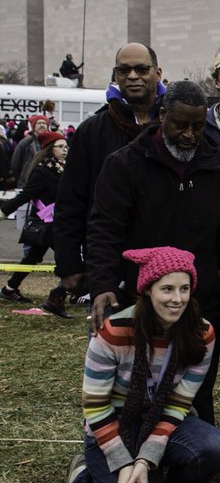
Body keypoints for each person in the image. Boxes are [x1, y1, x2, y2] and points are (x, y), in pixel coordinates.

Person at [85, 81, 220, 426]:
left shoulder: (219, 168)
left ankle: (196, 463)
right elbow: (104, 230)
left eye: (198, 126)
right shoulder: (124, 164)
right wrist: (102, 285)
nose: (190, 135)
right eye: (181, 125)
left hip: (197, 301)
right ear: (161, 118)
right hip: (138, 298)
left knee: (196, 385)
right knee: (133, 385)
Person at [57, 246, 220, 483]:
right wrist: (123, 463)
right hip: (112, 427)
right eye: (166, 289)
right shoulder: (113, 332)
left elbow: (179, 402)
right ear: (147, 290)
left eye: (184, 288)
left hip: (162, 420)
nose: (176, 299)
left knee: (217, 446)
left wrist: (144, 460)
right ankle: (85, 480)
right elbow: (96, 406)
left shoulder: (201, 333)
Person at [55, 43, 166, 315]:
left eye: (141, 69)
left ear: (158, 73)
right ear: (115, 76)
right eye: (123, 70)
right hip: (109, 267)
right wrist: (69, 264)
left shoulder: (176, 127)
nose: (132, 76)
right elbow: (71, 202)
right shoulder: (91, 131)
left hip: (167, 266)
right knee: (113, 352)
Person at [0, 131, 70, 311]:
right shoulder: (42, 171)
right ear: (49, 149)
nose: (65, 149)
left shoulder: (62, 168)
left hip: (56, 223)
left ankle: (10, 288)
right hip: (47, 225)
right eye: (60, 147)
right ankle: (71, 293)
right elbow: (25, 195)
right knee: (69, 258)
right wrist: (4, 210)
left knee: (32, 257)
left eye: (66, 146)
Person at [10, 114, 50, 189]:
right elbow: (15, 165)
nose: (42, 125)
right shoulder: (25, 142)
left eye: (44, 123)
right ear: (33, 127)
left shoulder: (50, 143)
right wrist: (22, 178)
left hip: (45, 185)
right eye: (39, 123)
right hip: (27, 184)